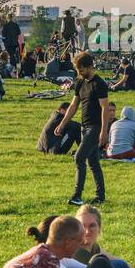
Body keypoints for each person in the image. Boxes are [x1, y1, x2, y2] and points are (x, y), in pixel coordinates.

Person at [55, 52, 109, 205]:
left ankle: (77, 196)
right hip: (84, 127)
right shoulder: (79, 82)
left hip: (95, 127)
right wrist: (62, 123)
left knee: (79, 157)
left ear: (90, 67)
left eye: (81, 70)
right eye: (78, 70)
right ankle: (100, 196)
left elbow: (105, 108)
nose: (79, 73)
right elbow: (73, 105)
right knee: (93, 162)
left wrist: (104, 131)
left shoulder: (99, 84)